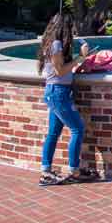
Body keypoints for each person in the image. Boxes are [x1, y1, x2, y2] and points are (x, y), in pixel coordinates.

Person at [37, 13, 100, 185]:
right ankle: (74, 171)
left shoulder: (51, 43)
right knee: (77, 129)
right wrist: (81, 57)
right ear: (63, 28)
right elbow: (60, 71)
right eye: (70, 26)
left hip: (56, 92)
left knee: (53, 133)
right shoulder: (56, 44)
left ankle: (46, 172)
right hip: (58, 93)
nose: (72, 30)